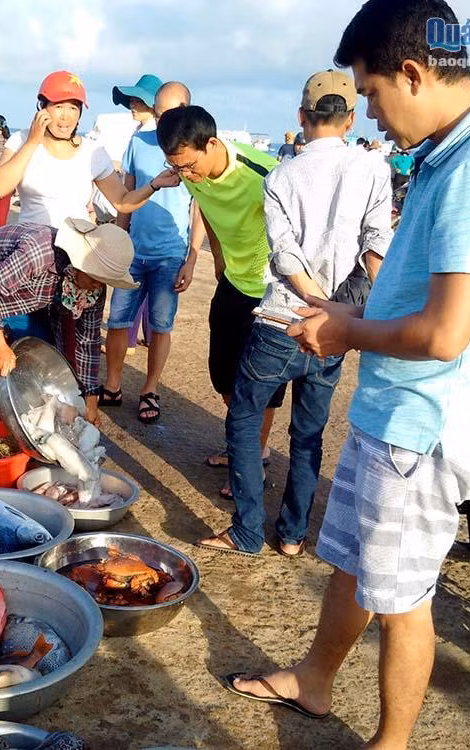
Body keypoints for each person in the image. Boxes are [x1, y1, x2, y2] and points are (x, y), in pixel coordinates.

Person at [225, 2, 470, 747]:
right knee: (353, 564)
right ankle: (315, 680)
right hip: (396, 414)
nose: (367, 112)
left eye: (371, 93)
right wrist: (350, 316)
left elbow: (444, 333)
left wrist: (346, 331)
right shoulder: (456, 151)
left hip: (424, 428)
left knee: (402, 601)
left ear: (411, 73)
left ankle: (392, 743)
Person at [201, 69, 392, 558]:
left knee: (245, 418)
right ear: (350, 119)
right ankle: (291, 535)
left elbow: (284, 256)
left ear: (301, 117)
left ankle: (247, 531)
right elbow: (377, 248)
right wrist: (344, 313)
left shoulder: (281, 175)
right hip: (337, 326)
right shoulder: (372, 168)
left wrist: (312, 302)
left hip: (282, 321)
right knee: (308, 433)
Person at [156, 105, 285, 497]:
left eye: (188, 165)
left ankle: (253, 457)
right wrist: (217, 258)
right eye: (175, 167)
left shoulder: (264, 174)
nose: (185, 175)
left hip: (269, 288)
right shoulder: (190, 174)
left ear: (211, 144)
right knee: (223, 375)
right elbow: (208, 212)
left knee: (261, 384)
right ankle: (243, 444)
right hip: (232, 282)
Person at [0, 219, 139, 425]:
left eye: (105, 281)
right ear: (81, 264)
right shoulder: (39, 252)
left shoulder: (93, 289)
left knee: (38, 367)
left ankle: (8, 429)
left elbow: (87, 343)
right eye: (96, 278)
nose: (98, 286)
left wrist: (89, 399)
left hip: (25, 301)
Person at [101, 75, 202, 423]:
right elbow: (125, 197)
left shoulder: (195, 150)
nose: (162, 121)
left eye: (168, 113)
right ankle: (112, 385)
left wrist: (192, 259)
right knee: (117, 320)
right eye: (158, 113)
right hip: (133, 251)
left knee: (160, 325)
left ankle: (150, 389)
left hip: (170, 254)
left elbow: (199, 209)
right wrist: (118, 242)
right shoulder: (138, 141)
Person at [0, 71, 179, 231]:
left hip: (76, 249)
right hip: (31, 245)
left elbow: (122, 202)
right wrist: (32, 142)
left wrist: (154, 184)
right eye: (58, 106)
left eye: (73, 108)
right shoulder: (21, 140)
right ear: (42, 107)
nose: (66, 116)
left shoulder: (92, 151)